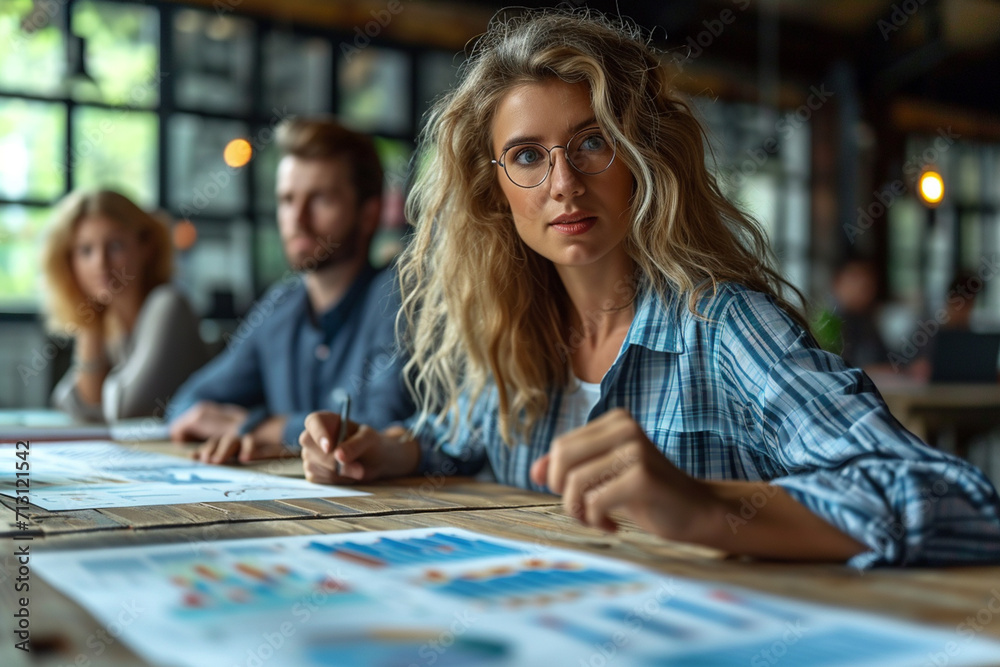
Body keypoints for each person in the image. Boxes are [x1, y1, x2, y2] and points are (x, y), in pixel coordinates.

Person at [298, 10, 1000, 567]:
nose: (563, 183)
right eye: (527, 156)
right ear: (495, 189)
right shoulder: (520, 329)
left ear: (642, 157)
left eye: (592, 141)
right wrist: (387, 448)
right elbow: (456, 435)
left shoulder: (724, 325)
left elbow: (961, 503)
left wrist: (703, 507)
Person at [167, 118, 413, 464]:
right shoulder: (281, 304)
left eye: (320, 199)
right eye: (286, 199)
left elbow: (380, 428)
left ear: (368, 214)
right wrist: (260, 428)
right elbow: (187, 404)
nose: (297, 218)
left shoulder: (398, 296)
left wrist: (260, 426)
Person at [42, 189, 208, 421]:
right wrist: (90, 321)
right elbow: (69, 405)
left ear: (146, 246)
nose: (100, 263)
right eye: (85, 250)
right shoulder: (109, 324)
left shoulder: (169, 305)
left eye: (115, 246)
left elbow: (127, 410)